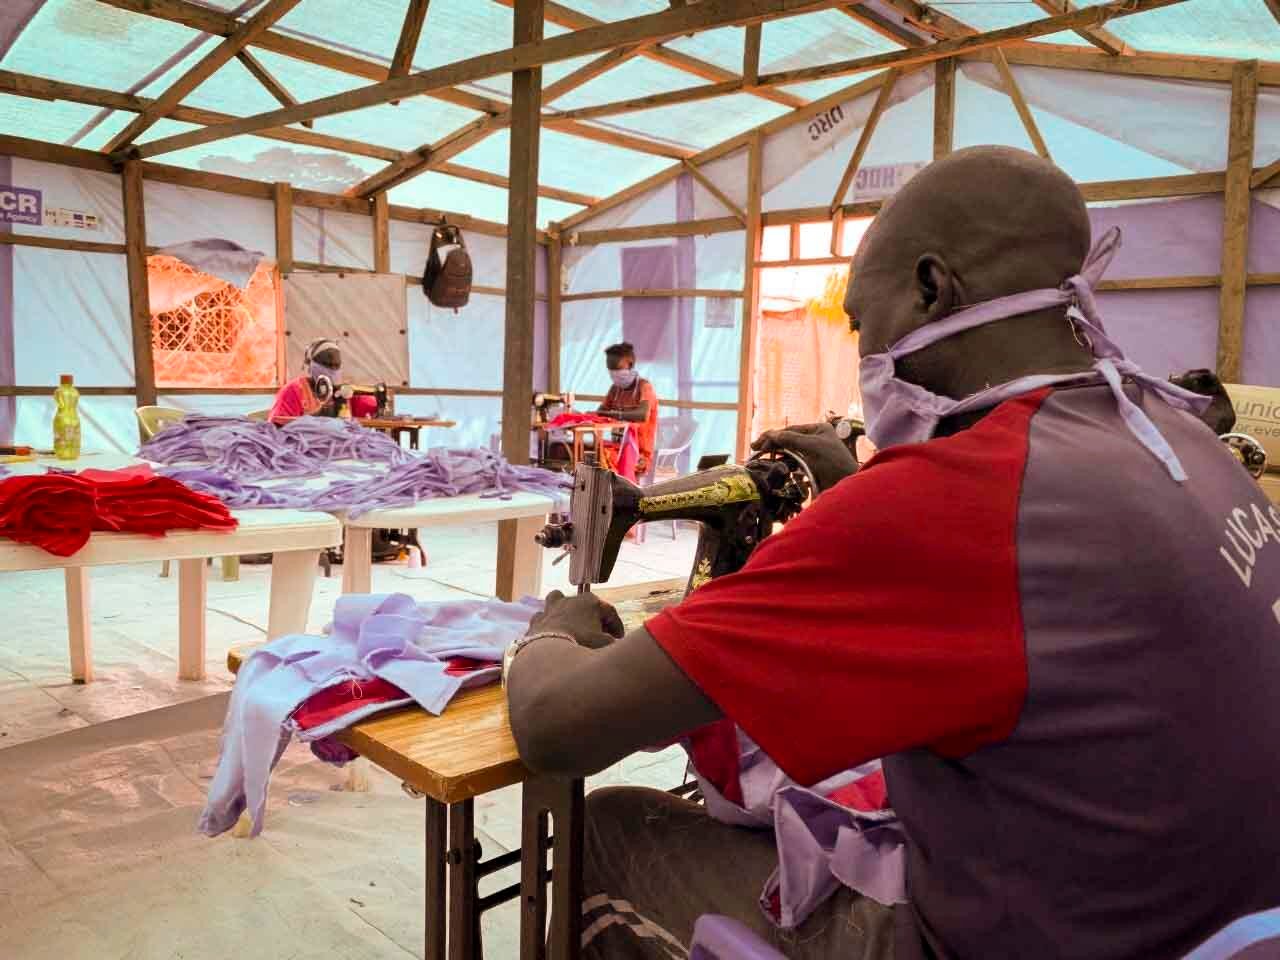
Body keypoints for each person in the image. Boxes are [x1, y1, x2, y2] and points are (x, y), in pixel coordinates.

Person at [502, 146, 1280, 959]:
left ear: (930, 288)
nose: (864, 354)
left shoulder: (948, 502)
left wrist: (551, 632)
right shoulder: (1183, 440)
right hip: (1204, 927)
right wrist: (850, 505)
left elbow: (560, 728)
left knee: (615, 829)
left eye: (863, 325)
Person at [597, 341, 659, 477]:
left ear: (630, 365)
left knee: (600, 459)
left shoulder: (644, 387)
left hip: (639, 453)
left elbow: (642, 415)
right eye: (610, 369)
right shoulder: (615, 390)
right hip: (617, 447)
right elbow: (600, 413)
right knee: (588, 453)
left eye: (617, 368)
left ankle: (611, 494)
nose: (613, 373)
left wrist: (614, 414)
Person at [269, 338, 344, 424]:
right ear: (311, 364)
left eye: (336, 365)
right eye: (327, 364)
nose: (332, 370)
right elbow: (276, 425)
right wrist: (316, 417)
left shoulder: (340, 393)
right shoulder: (293, 391)